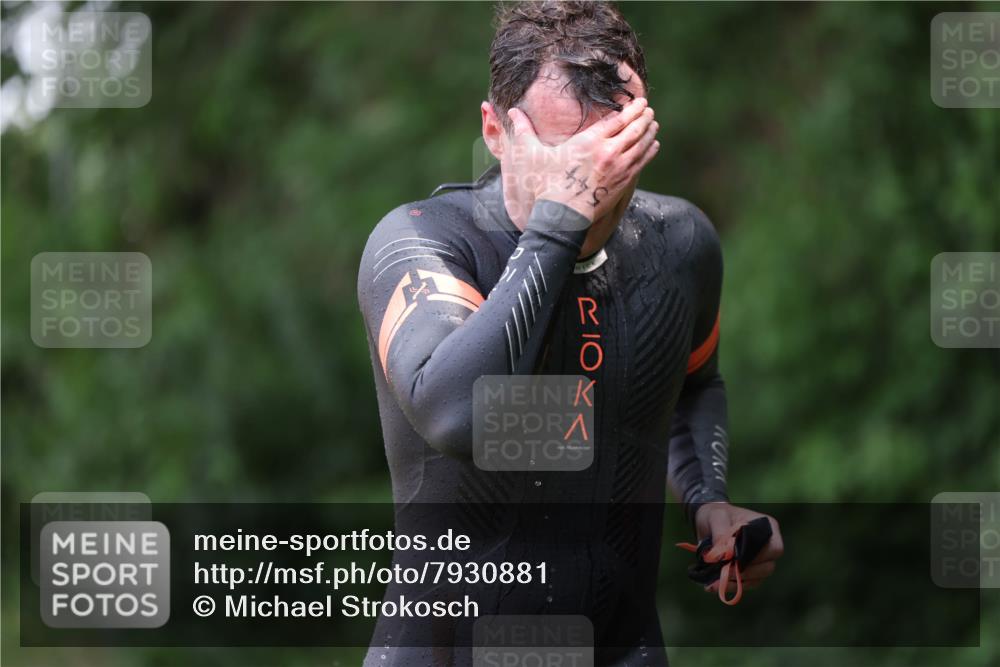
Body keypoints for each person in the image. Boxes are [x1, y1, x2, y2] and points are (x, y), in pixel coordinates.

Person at [357, 2, 783, 664]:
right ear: (496, 131)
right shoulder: (424, 241)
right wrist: (557, 224)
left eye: (612, 153)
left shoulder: (679, 245)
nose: (594, 187)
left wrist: (709, 501)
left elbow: (695, 385)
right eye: (567, 159)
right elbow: (457, 415)